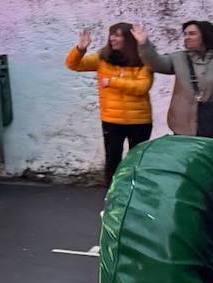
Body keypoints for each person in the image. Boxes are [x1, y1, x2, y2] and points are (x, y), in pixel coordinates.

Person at [65, 23, 154, 185]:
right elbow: (74, 65)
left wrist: (113, 81)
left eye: (118, 35)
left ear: (128, 39)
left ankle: (135, 194)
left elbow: (142, 87)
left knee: (138, 160)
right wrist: (80, 49)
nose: (113, 38)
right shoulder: (103, 58)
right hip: (112, 120)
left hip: (140, 121)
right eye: (111, 34)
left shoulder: (143, 60)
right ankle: (112, 195)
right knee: (112, 160)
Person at [133, 21, 213, 137]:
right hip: (183, 125)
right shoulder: (179, 58)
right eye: (185, 34)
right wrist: (144, 44)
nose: (187, 37)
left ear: (205, 35)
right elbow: (156, 63)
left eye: (192, 34)